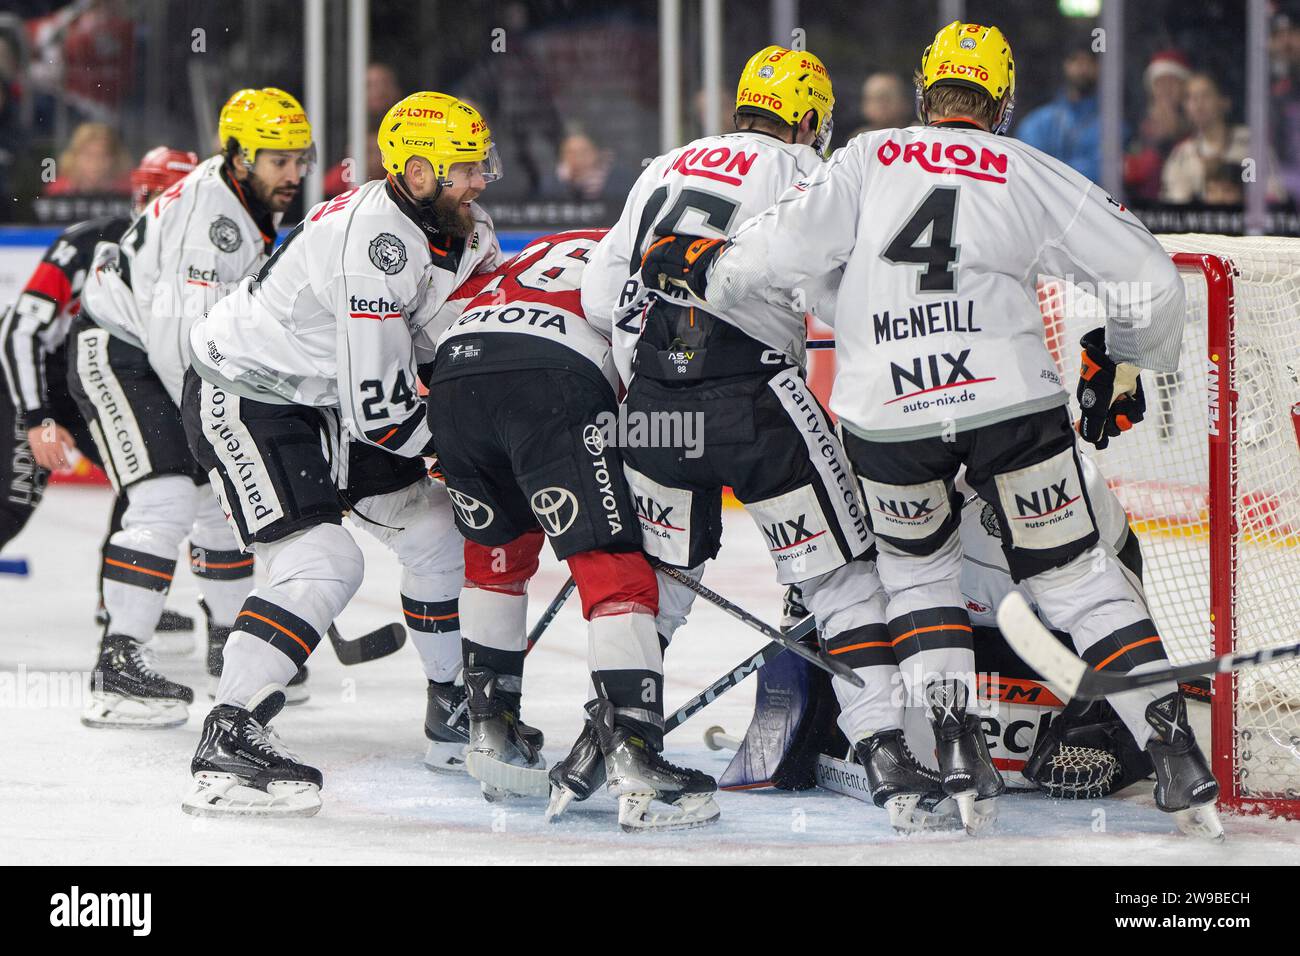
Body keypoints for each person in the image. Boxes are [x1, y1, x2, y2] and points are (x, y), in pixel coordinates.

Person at [641, 20, 1224, 840]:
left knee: (917, 580)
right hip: (1011, 402)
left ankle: (955, 750)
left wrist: (706, 267)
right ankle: (1172, 748)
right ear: (1005, 103)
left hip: (888, 416)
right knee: (1080, 577)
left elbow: (779, 250)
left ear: (923, 92)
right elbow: (1153, 283)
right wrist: (1120, 356)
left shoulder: (868, 157)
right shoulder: (1030, 170)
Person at [588, 46, 944, 833]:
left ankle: (613, 739)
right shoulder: (803, 172)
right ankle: (888, 756)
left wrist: (647, 380)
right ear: (810, 119)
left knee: (661, 582)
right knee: (843, 580)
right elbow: (833, 292)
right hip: (753, 398)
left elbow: (599, 292)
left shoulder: (662, 165)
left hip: (652, 403)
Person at [179, 91, 504, 817]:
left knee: (436, 528)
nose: (482, 180)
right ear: (418, 173)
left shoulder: (467, 226)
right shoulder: (374, 245)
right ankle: (229, 734)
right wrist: (471, 450)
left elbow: (451, 346)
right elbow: (385, 414)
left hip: (324, 399)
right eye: (467, 168)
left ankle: (452, 709)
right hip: (249, 395)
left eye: (483, 164)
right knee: (326, 558)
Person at [425, 229, 719, 830]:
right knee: (614, 572)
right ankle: (634, 755)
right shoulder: (637, 251)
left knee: (494, 557)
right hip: (553, 378)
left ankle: (490, 724)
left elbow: (443, 323)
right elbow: (654, 363)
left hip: (456, 379)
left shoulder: (532, 251)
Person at [69, 89, 314, 730]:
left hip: (160, 358)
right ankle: (117, 663)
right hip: (120, 351)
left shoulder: (240, 199)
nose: (292, 174)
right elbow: (175, 340)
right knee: (169, 497)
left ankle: (232, 645)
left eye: (300, 159)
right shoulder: (214, 219)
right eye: (276, 160)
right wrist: (215, 428)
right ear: (237, 156)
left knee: (219, 510)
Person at [0, 147, 196, 598]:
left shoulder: (194, 262)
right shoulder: (88, 244)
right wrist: (36, 419)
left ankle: (125, 602)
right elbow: (19, 332)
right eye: (164, 197)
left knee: (147, 478)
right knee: (14, 501)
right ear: (143, 197)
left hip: (98, 388)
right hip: (40, 388)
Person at [1162, 72, 1284, 204]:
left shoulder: (1250, 144)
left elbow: (1274, 194)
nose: (1198, 103)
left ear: (1224, 102)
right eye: (1191, 98)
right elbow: (1173, 207)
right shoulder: (1182, 155)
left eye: (1205, 95)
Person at [1014, 43, 1101, 184]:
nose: (1082, 68)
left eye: (1089, 61)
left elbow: (1104, 169)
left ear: (1098, 67)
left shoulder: (1111, 124)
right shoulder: (1039, 121)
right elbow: (1027, 167)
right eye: (1076, 60)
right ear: (1065, 65)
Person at [1124, 50, 1191, 202]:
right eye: (1160, 82)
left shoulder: (1195, 127)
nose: (1166, 88)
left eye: (1173, 81)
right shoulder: (1135, 125)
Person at [43, 122, 132, 195]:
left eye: (103, 155)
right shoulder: (57, 190)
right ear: (74, 157)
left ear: (115, 158)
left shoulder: (130, 191)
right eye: (88, 155)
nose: (95, 162)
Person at [855, 71, 914, 136]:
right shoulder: (858, 141)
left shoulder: (920, 135)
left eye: (886, 97)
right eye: (872, 98)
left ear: (905, 101)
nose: (881, 104)